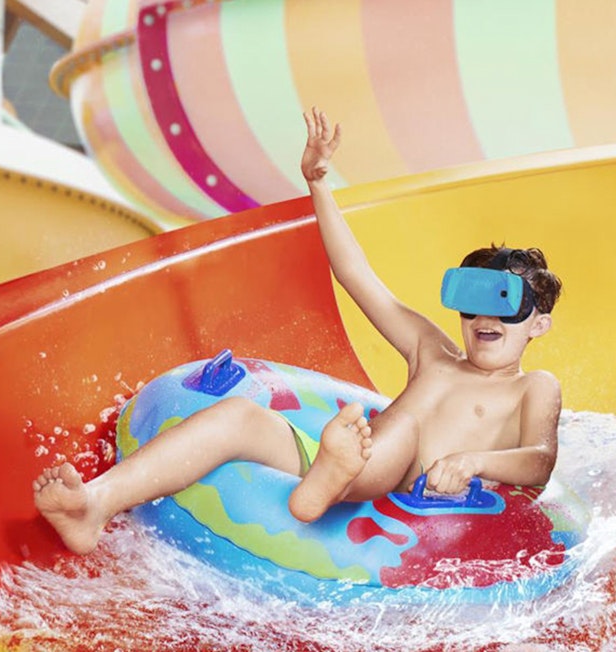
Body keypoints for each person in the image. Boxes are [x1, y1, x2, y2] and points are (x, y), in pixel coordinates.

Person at [33, 108, 563, 555]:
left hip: (402, 489)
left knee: (400, 435)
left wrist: (470, 461)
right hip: (342, 457)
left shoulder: (532, 387)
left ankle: (335, 479)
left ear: (539, 323)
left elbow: (538, 461)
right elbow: (357, 275)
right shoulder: (432, 350)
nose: (485, 321)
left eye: (506, 307)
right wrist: (318, 183)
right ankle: (95, 503)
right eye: (471, 306)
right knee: (240, 416)